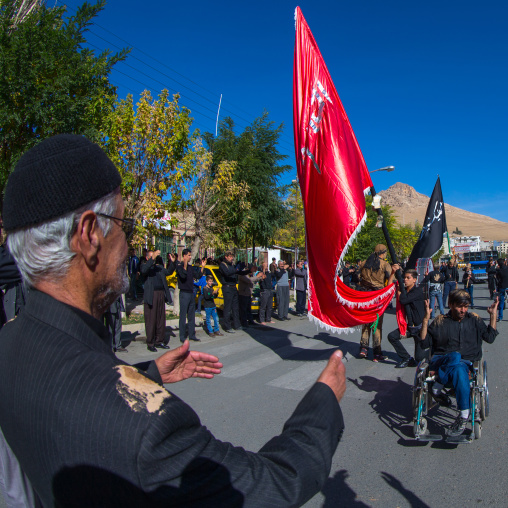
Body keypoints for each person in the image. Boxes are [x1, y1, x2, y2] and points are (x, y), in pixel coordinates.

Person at [0, 134, 347, 507]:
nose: (126, 240)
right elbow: (273, 485)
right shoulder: (143, 427)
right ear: (88, 235)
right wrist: (323, 400)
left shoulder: (10, 343)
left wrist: (145, 375)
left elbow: (69, 382)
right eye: (123, 223)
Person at [420, 289, 498, 436]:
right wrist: (425, 320)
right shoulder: (440, 321)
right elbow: (424, 343)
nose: (463, 310)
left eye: (466, 306)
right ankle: (449, 398)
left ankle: (459, 412)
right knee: (455, 356)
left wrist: (493, 315)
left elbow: (490, 337)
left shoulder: (474, 319)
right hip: (441, 360)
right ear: (450, 304)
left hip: (463, 364)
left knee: (459, 368)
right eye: (459, 306)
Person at [357, 244, 396, 362]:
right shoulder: (385, 265)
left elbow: (358, 277)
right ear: (383, 253)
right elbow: (391, 281)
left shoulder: (364, 263)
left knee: (366, 322)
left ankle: (363, 348)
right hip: (378, 297)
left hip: (365, 296)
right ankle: (377, 352)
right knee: (377, 324)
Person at [388, 269, 426, 368]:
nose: (405, 280)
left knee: (419, 359)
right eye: (404, 278)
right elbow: (389, 287)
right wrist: (393, 272)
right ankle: (406, 358)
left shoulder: (417, 291)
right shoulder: (404, 290)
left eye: (408, 278)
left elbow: (403, 300)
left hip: (419, 329)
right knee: (392, 336)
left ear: (414, 280)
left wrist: (400, 291)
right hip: (409, 327)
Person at [141, 250, 174, 351]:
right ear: (148, 258)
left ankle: (159, 341)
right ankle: (150, 343)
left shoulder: (159, 268)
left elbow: (168, 272)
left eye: (154, 257)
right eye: (152, 257)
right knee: (151, 320)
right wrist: (152, 258)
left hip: (160, 295)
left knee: (160, 319)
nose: (154, 259)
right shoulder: (145, 266)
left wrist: (172, 262)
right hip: (151, 296)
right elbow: (143, 271)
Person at [176, 249, 204, 343]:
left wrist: (202, 267)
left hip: (191, 293)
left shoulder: (190, 267)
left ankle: (192, 335)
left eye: (190, 255)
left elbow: (198, 276)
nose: (190, 257)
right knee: (183, 315)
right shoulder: (179, 266)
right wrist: (184, 264)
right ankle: (182, 336)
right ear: (184, 256)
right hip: (184, 293)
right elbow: (183, 276)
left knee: (191, 315)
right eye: (188, 255)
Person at [219, 252, 245, 333]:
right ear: (226, 257)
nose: (232, 258)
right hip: (227, 288)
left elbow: (238, 272)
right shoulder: (223, 265)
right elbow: (227, 273)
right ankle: (227, 326)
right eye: (230, 257)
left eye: (232, 257)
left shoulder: (231, 265)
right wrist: (236, 269)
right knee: (227, 308)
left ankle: (237, 325)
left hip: (234, 288)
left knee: (235, 307)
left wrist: (247, 271)